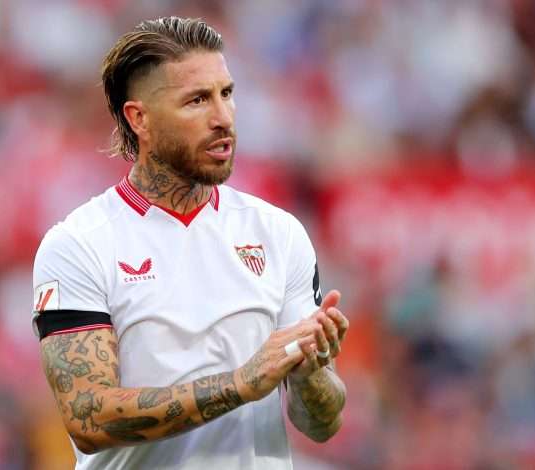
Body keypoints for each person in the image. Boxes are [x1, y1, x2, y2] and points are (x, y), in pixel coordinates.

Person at [32, 16, 348, 470]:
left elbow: (321, 424)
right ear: (138, 118)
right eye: (197, 100)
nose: (222, 118)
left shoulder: (278, 233)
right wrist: (243, 382)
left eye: (227, 94)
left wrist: (308, 374)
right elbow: (88, 418)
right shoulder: (78, 245)